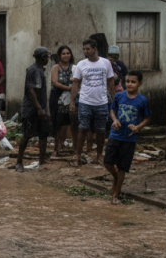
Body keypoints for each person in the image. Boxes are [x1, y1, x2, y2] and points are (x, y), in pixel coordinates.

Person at [105, 71, 151, 204]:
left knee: (122, 167)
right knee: (107, 162)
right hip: (115, 134)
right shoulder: (119, 96)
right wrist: (114, 120)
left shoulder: (142, 100)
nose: (129, 84)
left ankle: (115, 194)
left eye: (133, 82)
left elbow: (147, 118)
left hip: (129, 138)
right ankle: (115, 178)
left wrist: (138, 127)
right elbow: (112, 110)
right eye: (127, 81)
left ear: (139, 84)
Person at [70, 39, 115, 167]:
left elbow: (111, 81)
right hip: (85, 102)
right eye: (84, 49)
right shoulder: (81, 64)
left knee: (101, 130)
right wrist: (72, 101)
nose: (85, 51)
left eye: (87, 49)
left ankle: (99, 156)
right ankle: (78, 156)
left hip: (101, 102)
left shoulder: (105, 63)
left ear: (94, 49)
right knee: (82, 129)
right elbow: (75, 83)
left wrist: (114, 99)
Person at [15, 47, 51, 171]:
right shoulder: (34, 70)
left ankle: (42, 160)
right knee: (27, 134)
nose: (48, 59)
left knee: (43, 134)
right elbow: (32, 91)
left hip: (40, 107)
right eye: (46, 57)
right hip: (32, 109)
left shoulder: (39, 70)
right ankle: (19, 162)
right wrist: (39, 108)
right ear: (41, 58)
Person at [49, 45, 78, 160]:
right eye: (63, 53)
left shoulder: (75, 67)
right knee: (58, 123)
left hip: (72, 98)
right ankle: (57, 149)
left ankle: (76, 149)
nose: (66, 56)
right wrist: (70, 88)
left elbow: (78, 81)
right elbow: (55, 83)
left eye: (68, 53)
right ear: (59, 55)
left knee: (73, 123)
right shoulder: (56, 67)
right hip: (57, 98)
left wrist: (73, 92)